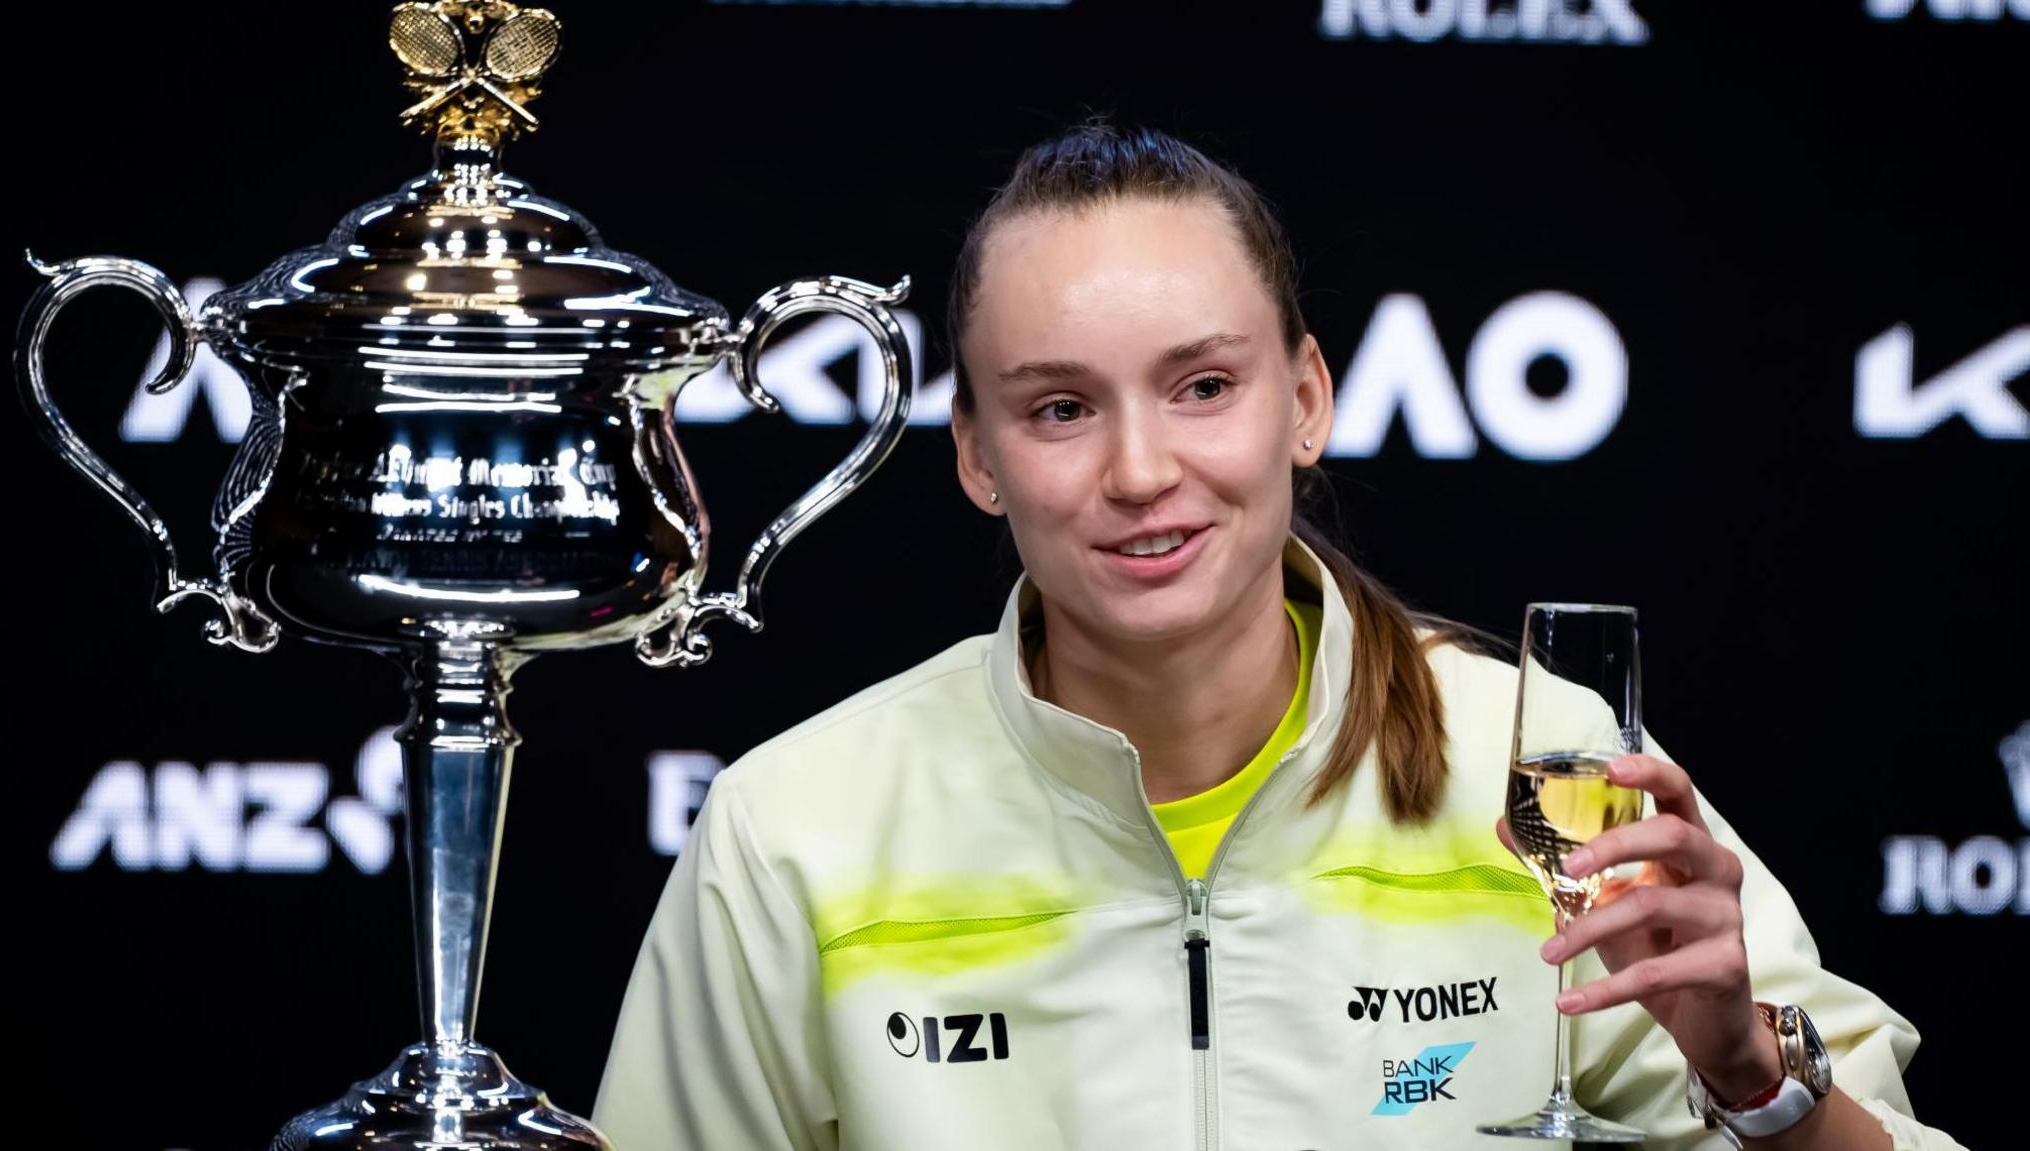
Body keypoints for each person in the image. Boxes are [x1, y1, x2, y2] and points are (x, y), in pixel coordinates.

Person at [592, 122, 1962, 1150]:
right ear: (976, 456)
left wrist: (1750, 1075)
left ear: (1304, 402)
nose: (1141, 472)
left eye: (1202, 387)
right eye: (1060, 409)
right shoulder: (794, 833)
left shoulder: (1538, 762)